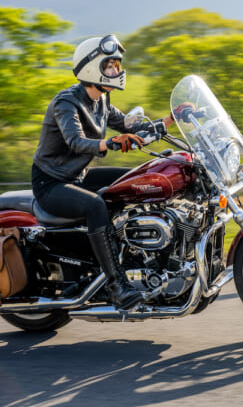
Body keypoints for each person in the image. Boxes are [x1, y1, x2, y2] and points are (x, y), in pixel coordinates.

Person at [31, 34, 173, 310]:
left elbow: (131, 129)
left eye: (117, 66)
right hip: (51, 183)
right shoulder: (66, 103)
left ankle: (143, 254)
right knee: (96, 205)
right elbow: (75, 141)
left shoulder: (102, 101)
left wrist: (170, 119)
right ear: (91, 67)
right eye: (110, 66)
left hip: (77, 177)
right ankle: (117, 285)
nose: (116, 72)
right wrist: (108, 143)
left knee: (139, 180)